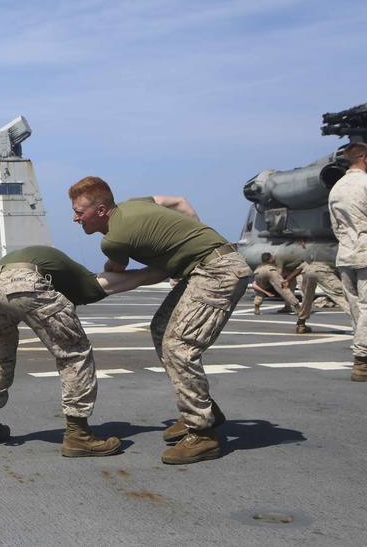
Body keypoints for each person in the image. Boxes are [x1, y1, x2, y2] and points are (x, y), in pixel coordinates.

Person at [69, 176, 251, 465]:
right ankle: (203, 410)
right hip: (210, 263)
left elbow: (117, 272)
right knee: (162, 328)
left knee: (179, 346)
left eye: (80, 212)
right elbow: (179, 202)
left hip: (217, 271)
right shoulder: (134, 204)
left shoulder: (114, 240)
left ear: (101, 211)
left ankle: (203, 434)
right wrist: (200, 235)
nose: (76, 218)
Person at [0, 246, 166, 456]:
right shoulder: (83, 279)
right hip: (26, 282)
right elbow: (135, 278)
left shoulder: (13, 262)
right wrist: (171, 268)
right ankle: (78, 434)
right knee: (75, 353)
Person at [327, 142, 367, 382]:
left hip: (345, 255)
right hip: (365, 253)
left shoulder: (336, 188)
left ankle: (362, 358)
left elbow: (336, 227)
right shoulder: (365, 184)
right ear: (364, 157)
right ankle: (362, 360)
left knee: (355, 309)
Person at [291, 260, 350, 332]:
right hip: (323, 270)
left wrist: (287, 280)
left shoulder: (314, 254)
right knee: (340, 296)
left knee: (307, 298)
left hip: (308, 269)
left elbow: (300, 267)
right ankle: (360, 321)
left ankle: (301, 324)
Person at [251, 253, 301, 321]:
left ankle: (256, 307)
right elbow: (279, 273)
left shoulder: (260, 266)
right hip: (272, 271)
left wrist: (265, 291)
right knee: (283, 290)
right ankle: (297, 306)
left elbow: (254, 285)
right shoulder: (276, 262)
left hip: (258, 272)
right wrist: (282, 281)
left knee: (260, 289)